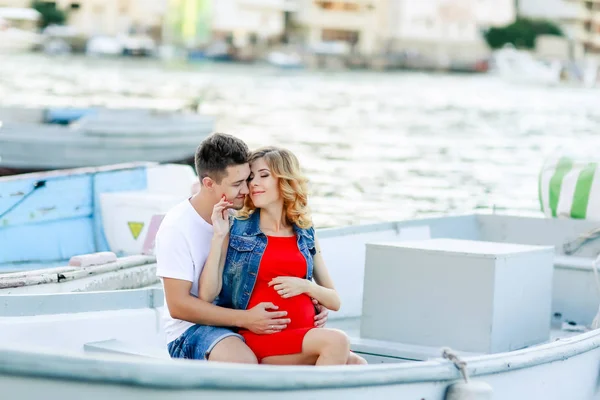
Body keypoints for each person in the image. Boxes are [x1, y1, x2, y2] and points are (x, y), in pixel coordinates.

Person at [155, 133, 330, 363]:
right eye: (237, 184)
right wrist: (245, 319)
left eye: (246, 180)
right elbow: (179, 306)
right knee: (243, 361)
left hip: (240, 319)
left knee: (354, 364)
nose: (246, 190)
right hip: (193, 329)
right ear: (208, 184)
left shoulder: (241, 214)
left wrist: (311, 298)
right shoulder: (177, 227)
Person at [199, 146, 367, 366]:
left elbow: (334, 301)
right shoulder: (236, 229)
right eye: (250, 177)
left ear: (285, 180)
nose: (253, 183)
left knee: (358, 364)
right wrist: (218, 237)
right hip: (262, 338)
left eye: (264, 175)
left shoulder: (305, 233)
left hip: (303, 335)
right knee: (337, 341)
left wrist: (305, 286)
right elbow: (207, 295)